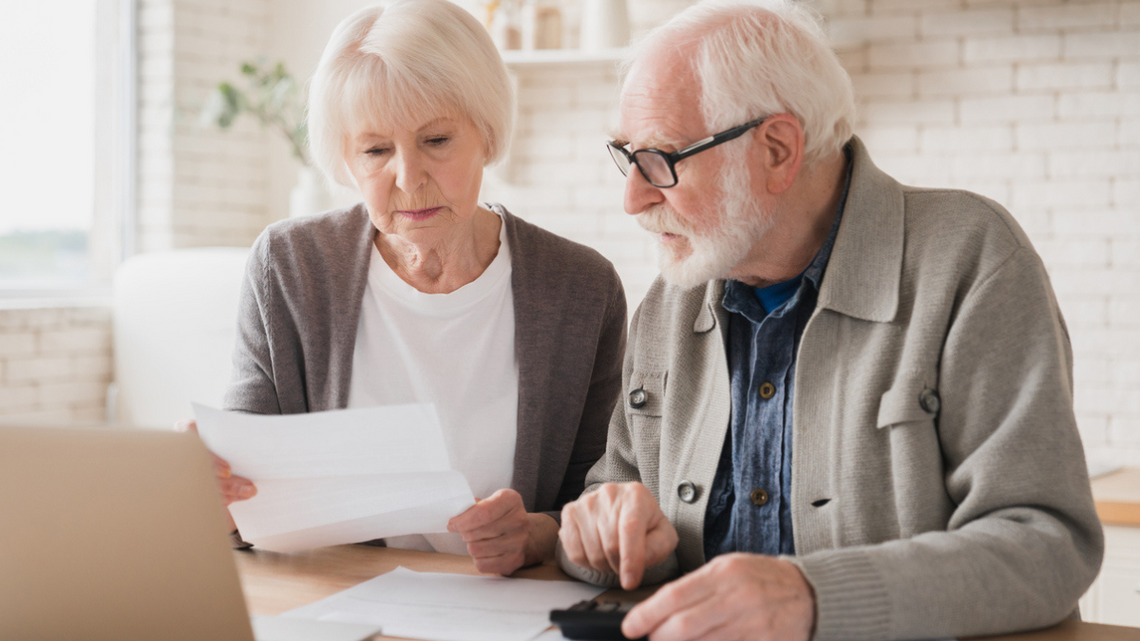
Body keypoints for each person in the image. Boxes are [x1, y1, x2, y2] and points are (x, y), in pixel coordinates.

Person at [556, 1, 1104, 640]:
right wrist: (606, 538)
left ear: (778, 149)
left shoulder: (971, 259)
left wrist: (813, 598)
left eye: (661, 160)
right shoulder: (670, 299)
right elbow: (605, 503)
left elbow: (1047, 544)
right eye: (628, 156)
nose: (633, 198)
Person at [179, 0, 626, 577]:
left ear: (486, 134)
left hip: (506, 608)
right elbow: (246, 504)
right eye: (375, 150)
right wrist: (210, 491)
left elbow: (604, 499)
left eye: (437, 140)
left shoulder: (580, 289)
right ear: (346, 158)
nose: (409, 178)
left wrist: (538, 534)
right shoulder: (289, 268)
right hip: (335, 602)